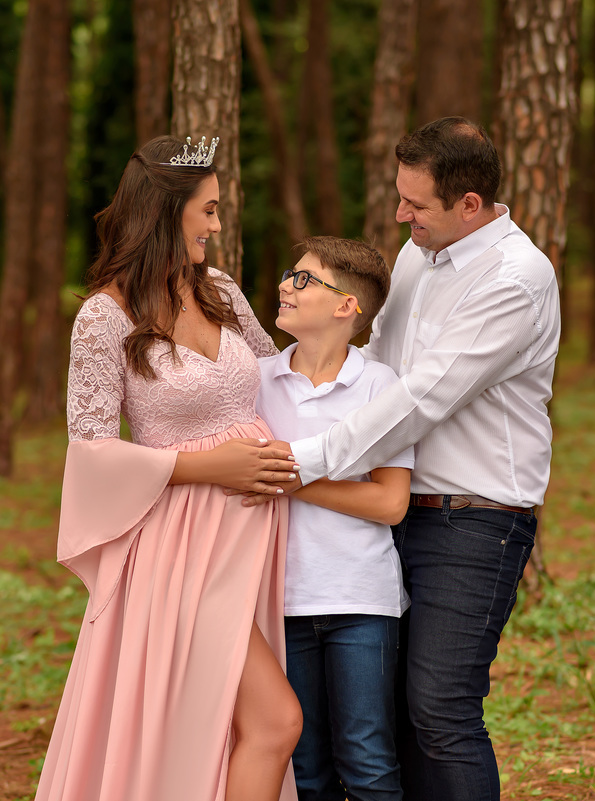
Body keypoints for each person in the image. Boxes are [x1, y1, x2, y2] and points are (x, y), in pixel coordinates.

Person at [275, 117, 561, 800]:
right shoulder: (417, 254)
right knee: (393, 718)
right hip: (394, 512)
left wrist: (301, 460)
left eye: (416, 204)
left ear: (470, 203)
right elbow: (379, 367)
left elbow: (422, 398)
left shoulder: (515, 278)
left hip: (474, 521)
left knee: (440, 709)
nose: (402, 215)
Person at [35, 135, 301, 801]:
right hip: (179, 552)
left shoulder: (221, 292)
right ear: (164, 211)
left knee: (222, 725)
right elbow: (92, 452)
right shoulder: (104, 317)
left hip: (248, 540)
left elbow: (280, 380)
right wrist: (210, 466)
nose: (218, 224)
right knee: (274, 720)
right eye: (207, 210)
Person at [253, 237, 414, 801]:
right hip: (279, 602)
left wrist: (296, 480)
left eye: (304, 279)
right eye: (288, 274)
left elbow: (391, 503)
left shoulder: (380, 385)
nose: (285, 286)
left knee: (367, 759)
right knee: (305, 767)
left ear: (347, 305)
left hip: (361, 601)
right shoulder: (254, 381)